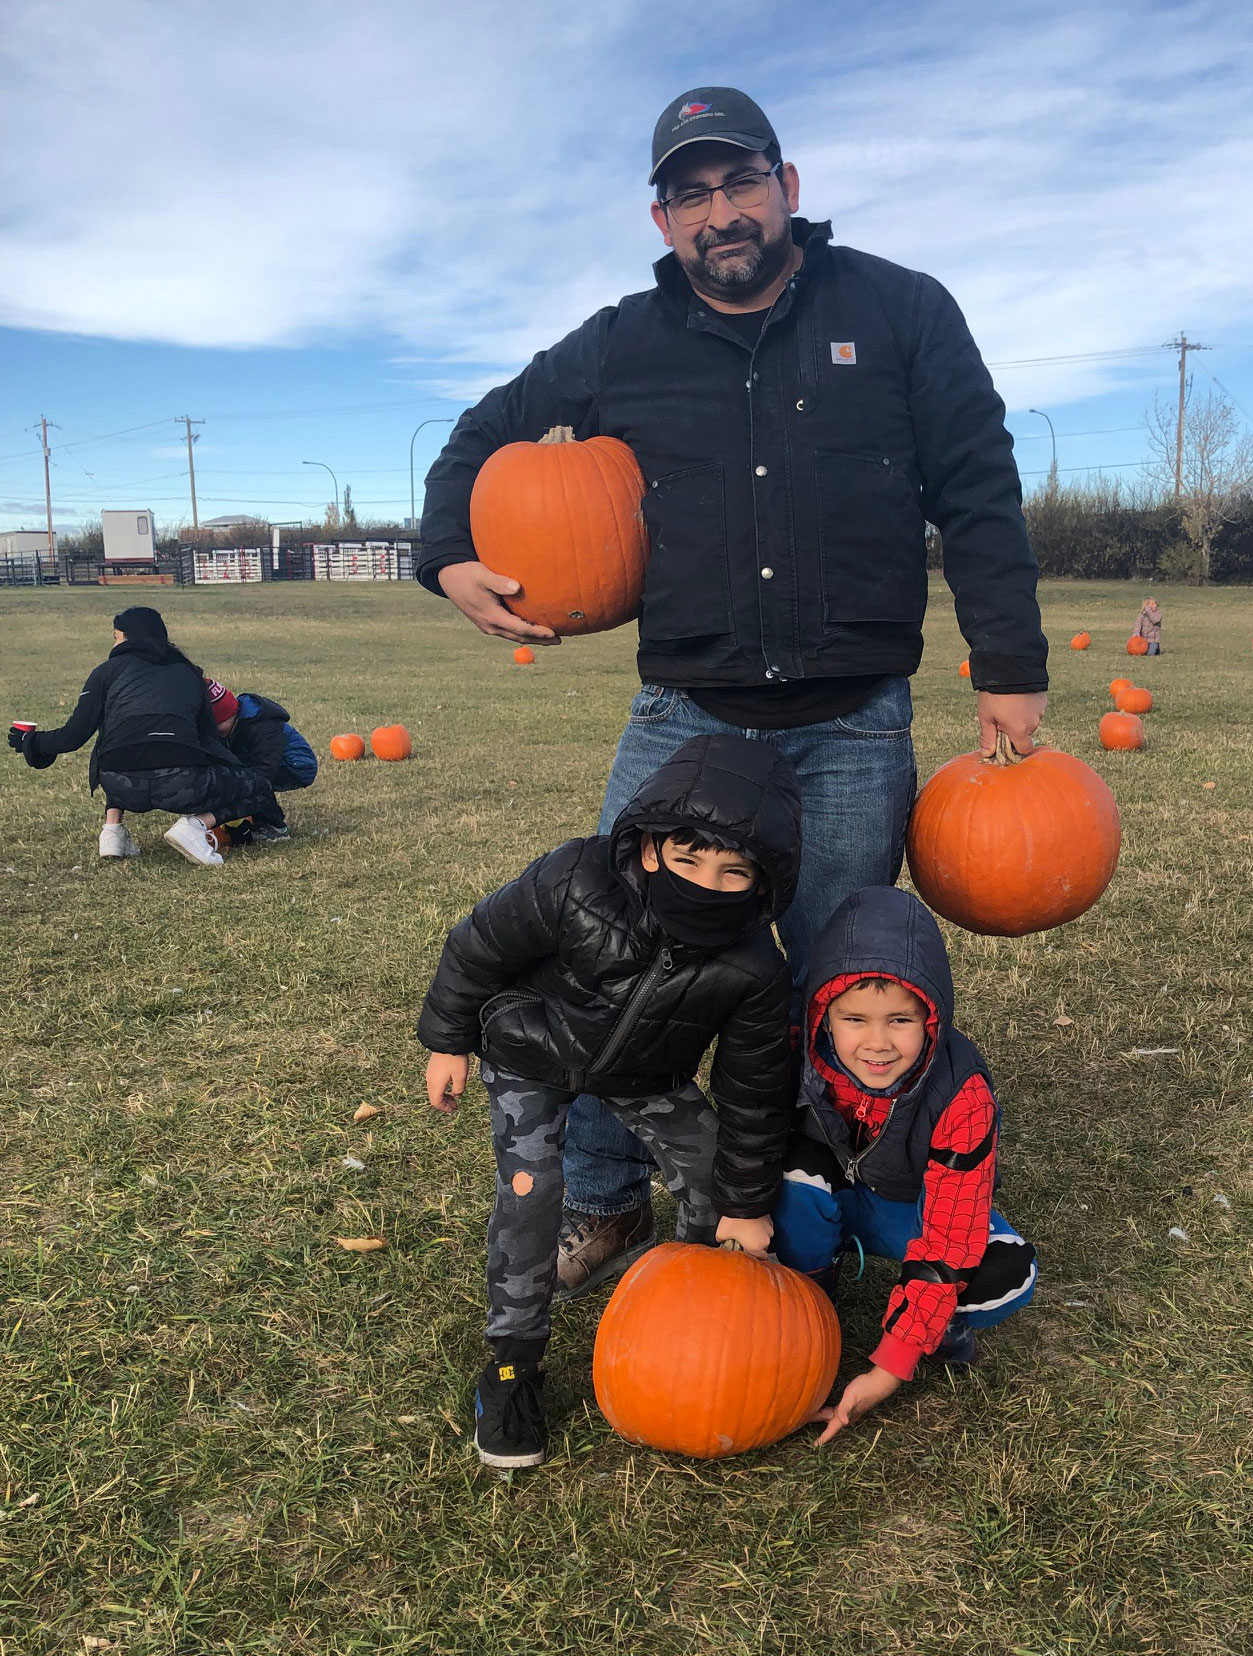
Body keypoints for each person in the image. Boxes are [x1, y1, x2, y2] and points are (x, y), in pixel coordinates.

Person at [417, 86, 1049, 1296]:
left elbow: (977, 484)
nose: (721, 212)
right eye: (691, 194)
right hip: (685, 720)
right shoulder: (618, 344)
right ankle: (602, 1200)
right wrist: (445, 549)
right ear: (661, 219)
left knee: (836, 980)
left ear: (788, 186)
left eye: (739, 182)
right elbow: (479, 434)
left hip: (854, 720)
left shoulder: (900, 309)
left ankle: (827, 1198)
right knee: (610, 968)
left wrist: (1008, 669)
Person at [416, 733, 801, 1468]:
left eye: (732, 872)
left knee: (710, 1170)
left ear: (762, 881)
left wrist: (745, 1206)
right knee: (531, 1190)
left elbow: (753, 1092)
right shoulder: (573, 877)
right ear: (649, 848)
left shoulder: (755, 967)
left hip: (645, 1074)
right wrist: (447, 1040)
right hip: (529, 1052)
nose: (706, 883)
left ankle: (689, 1316)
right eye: (687, 860)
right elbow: (478, 945)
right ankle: (510, 1365)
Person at [771, 885, 1038, 1440]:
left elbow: (949, 1240)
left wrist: (893, 1363)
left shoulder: (961, 1095)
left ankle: (940, 1331)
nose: (877, 1043)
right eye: (854, 1019)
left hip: (906, 1204)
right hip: (825, 1190)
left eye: (899, 1020)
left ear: (932, 1019)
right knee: (789, 1176)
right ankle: (810, 1308)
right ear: (824, 1014)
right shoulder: (791, 1050)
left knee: (1002, 1271)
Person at [7, 606, 280, 869]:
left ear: (127, 637)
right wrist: (235, 771)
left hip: (120, 785)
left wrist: (30, 743)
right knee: (259, 785)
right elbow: (207, 739)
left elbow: (73, 736)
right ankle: (195, 826)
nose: (114, 645)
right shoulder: (188, 673)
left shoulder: (105, 673)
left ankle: (112, 831)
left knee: (116, 735)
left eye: (116, 637)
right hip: (182, 784)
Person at [204, 677, 319, 841]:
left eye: (218, 724)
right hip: (267, 762)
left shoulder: (262, 725)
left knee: (254, 781)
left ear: (231, 714)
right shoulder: (233, 727)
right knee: (242, 776)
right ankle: (254, 822)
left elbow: (265, 770)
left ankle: (275, 826)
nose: (216, 730)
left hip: (296, 765)